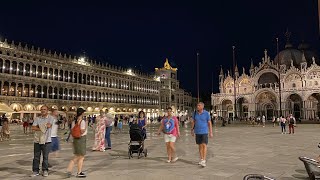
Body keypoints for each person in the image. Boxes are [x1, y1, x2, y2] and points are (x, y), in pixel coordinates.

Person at [31, 105, 54, 177]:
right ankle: (35, 171)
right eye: (42, 109)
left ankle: (45, 170)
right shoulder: (37, 118)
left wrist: (38, 126)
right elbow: (33, 127)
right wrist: (42, 127)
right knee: (36, 156)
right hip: (37, 140)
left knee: (45, 157)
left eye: (44, 109)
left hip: (47, 140)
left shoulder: (51, 118)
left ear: (47, 110)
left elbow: (49, 126)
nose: (43, 110)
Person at [66, 108, 87, 178]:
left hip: (75, 140)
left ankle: (71, 170)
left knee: (77, 156)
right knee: (80, 157)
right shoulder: (82, 121)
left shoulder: (73, 121)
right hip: (81, 140)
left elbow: (72, 131)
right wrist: (86, 126)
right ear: (82, 114)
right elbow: (82, 131)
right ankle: (76, 171)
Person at [191, 102, 213, 167]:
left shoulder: (206, 113)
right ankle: (201, 159)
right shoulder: (195, 113)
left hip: (204, 132)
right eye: (197, 105)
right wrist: (192, 130)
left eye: (199, 105)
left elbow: (209, 123)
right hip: (197, 132)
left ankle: (204, 160)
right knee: (200, 146)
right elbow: (193, 122)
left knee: (204, 145)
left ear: (202, 107)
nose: (197, 106)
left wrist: (211, 132)